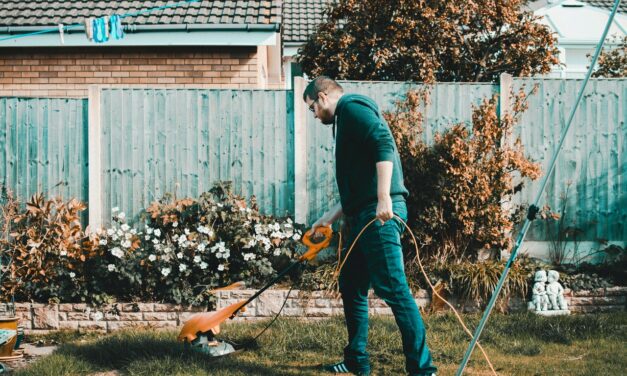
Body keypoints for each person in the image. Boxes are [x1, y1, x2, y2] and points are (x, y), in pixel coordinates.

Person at [304, 76, 437, 376]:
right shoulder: (344, 121)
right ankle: (356, 361)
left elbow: (383, 142)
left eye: (312, 107)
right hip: (366, 213)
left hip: (380, 215)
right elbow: (356, 191)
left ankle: (423, 370)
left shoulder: (352, 107)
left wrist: (383, 199)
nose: (313, 115)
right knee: (351, 283)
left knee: (394, 289)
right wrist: (327, 219)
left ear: (322, 97)